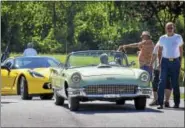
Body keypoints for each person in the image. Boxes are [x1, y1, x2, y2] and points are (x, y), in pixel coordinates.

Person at [151, 22, 183, 109]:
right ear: (166, 29)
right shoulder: (162, 38)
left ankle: (176, 103)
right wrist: (160, 62)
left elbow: (181, 50)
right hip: (165, 61)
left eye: (171, 28)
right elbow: (159, 51)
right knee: (161, 82)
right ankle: (160, 103)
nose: (169, 29)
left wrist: (180, 62)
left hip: (175, 61)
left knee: (175, 83)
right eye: (168, 28)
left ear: (173, 28)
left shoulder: (178, 37)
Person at [149, 42, 172, 107]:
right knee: (168, 82)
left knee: (155, 82)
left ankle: (156, 100)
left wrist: (151, 64)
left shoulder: (159, 43)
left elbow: (154, 55)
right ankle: (167, 101)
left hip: (158, 67)